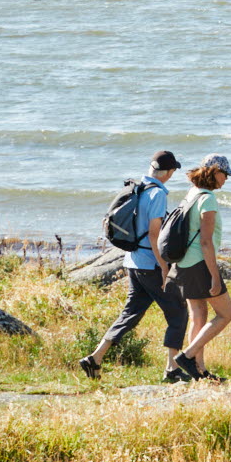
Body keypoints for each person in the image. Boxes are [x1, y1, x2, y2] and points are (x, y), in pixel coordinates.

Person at [79, 151, 190, 383]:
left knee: (130, 313)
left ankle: (95, 357)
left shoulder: (137, 189)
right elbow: (154, 233)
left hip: (132, 261)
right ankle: (172, 369)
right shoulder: (158, 194)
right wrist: (163, 266)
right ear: (169, 173)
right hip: (150, 264)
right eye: (173, 171)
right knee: (178, 312)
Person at [173, 155, 231, 382]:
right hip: (200, 263)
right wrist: (215, 277)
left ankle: (198, 371)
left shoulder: (191, 193)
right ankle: (188, 357)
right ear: (214, 172)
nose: (226, 179)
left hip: (183, 264)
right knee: (227, 313)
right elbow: (206, 242)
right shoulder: (208, 199)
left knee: (198, 316)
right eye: (225, 174)